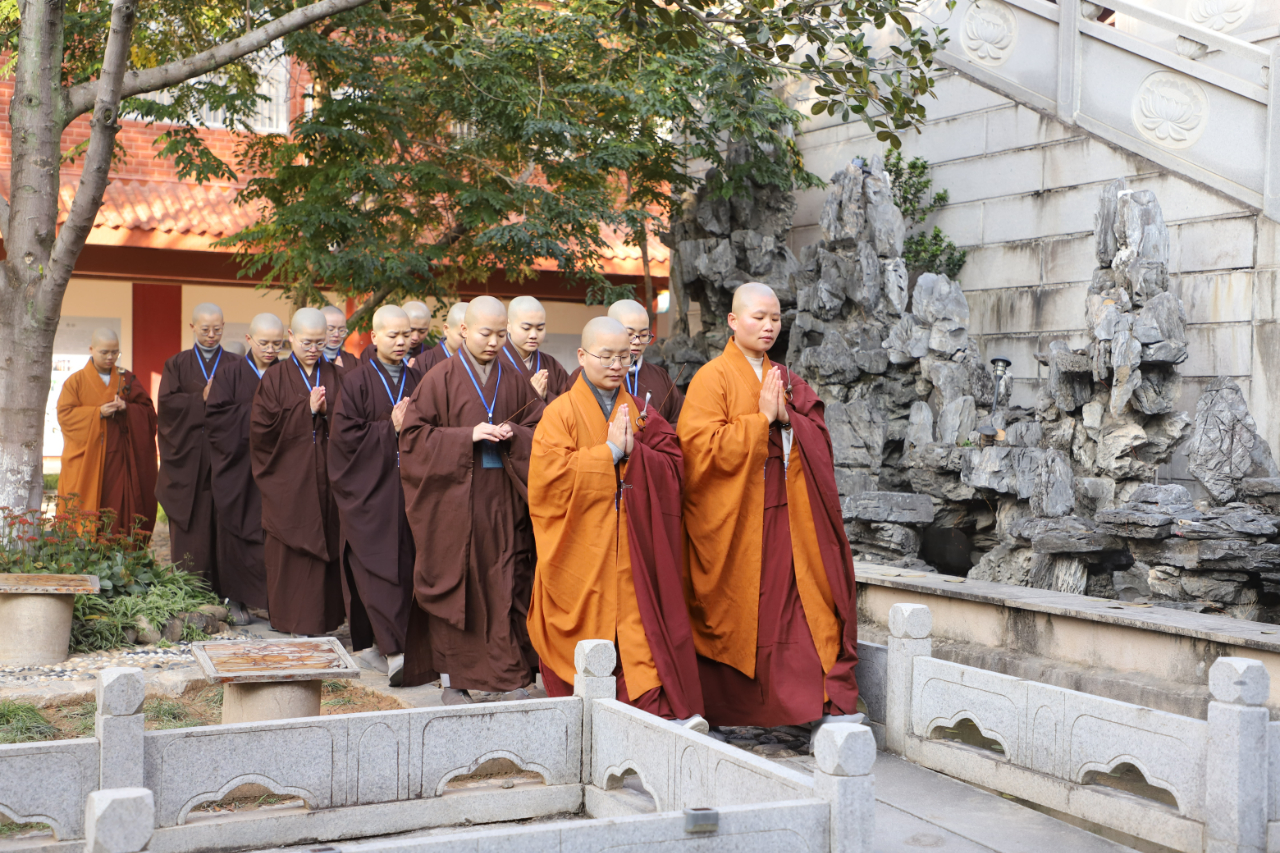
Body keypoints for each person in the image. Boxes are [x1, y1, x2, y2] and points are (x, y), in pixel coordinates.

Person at [677, 282, 860, 729]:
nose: (769, 326)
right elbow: (698, 449)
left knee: (802, 604)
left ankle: (812, 705)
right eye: (758, 317)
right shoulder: (711, 378)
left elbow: (817, 434)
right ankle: (732, 710)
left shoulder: (787, 377)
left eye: (775, 318)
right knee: (746, 609)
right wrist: (760, 420)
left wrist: (786, 419)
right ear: (733, 322)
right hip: (736, 521)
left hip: (789, 512)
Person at [528, 317, 705, 729]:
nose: (615, 365)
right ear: (582, 356)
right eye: (605, 356)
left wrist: (636, 455)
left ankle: (650, 712)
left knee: (639, 631)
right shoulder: (560, 413)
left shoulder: (640, 410)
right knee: (591, 633)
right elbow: (547, 481)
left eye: (624, 357)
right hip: (581, 549)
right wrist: (607, 453)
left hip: (632, 547)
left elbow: (674, 464)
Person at [399, 295, 544, 703]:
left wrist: (515, 435)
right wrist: (468, 436)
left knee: (505, 583)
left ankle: (510, 677)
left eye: (501, 334)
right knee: (459, 585)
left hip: (503, 502)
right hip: (453, 506)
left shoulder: (514, 379)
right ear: (463, 330)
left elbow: (538, 426)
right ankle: (456, 681)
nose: (495, 342)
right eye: (486, 333)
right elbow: (412, 438)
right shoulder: (439, 378)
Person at [330, 305, 423, 685]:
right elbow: (344, 439)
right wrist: (390, 429)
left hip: (412, 487)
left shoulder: (419, 378)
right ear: (373, 337)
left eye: (407, 335)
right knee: (377, 565)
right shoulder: (356, 381)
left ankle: (403, 644)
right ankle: (393, 648)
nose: (402, 342)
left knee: (410, 565)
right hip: (371, 489)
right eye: (393, 335)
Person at [250, 308, 345, 637]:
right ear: (291, 336)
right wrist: (304, 411)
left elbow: (350, 424)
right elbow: (261, 431)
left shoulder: (336, 376)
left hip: (328, 478)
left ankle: (322, 622)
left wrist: (329, 411)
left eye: (321, 342)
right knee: (289, 552)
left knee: (328, 543)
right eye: (307, 341)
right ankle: (292, 621)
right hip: (288, 480)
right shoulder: (274, 378)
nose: (314, 348)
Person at [205, 313, 282, 625]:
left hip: (279, 468)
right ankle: (236, 599)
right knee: (236, 533)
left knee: (277, 535)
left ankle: (278, 602)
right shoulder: (229, 374)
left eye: (277, 343)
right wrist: (262, 415)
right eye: (263, 342)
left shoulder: (287, 373)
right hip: (238, 469)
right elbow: (216, 419)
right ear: (249, 340)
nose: (270, 349)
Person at [56, 328, 158, 535]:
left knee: (117, 510)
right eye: (104, 352)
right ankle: (82, 551)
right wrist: (97, 413)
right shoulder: (75, 382)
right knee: (86, 507)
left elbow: (149, 414)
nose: (111, 357)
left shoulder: (126, 379)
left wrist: (127, 409)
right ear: (91, 349)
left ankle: (118, 552)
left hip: (119, 458)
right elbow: (65, 416)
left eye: (115, 352)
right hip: (88, 457)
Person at [156, 303, 224, 586]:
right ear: (192, 327)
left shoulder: (234, 364)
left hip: (223, 457)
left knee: (224, 522)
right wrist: (201, 400)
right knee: (192, 523)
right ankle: (189, 587)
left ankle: (226, 590)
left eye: (217, 329)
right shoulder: (176, 364)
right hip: (188, 459)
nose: (211, 335)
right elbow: (167, 406)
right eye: (205, 329)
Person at [608, 299, 684, 425]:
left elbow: (681, 423)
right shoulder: (592, 375)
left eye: (643, 335)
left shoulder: (660, 377)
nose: (637, 342)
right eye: (630, 334)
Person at [503, 295, 571, 401]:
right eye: (526, 328)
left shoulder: (552, 365)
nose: (534, 335)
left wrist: (545, 396)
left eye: (540, 328)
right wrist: (532, 395)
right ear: (508, 325)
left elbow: (570, 405)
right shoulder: (494, 361)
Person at [410, 301, 467, 373]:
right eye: (462, 336)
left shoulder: (480, 360)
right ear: (446, 329)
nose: (467, 342)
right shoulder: (425, 361)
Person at [322, 305, 359, 372]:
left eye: (341, 330)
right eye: (331, 329)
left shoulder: (353, 361)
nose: (336, 334)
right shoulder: (309, 359)